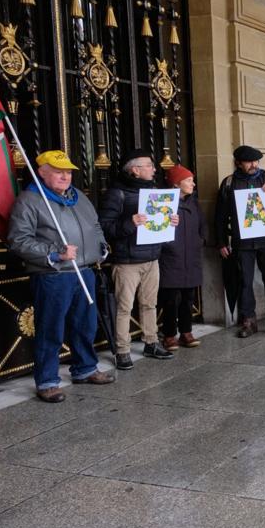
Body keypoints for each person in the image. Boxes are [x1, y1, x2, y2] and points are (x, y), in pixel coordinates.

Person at [8, 150, 115, 401]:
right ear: (42, 172)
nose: (65, 176)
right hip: (52, 274)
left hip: (84, 271)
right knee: (50, 328)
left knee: (84, 325)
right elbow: (18, 240)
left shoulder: (78, 198)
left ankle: (85, 368)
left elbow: (95, 226)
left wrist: (101, 246)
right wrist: (55, 254)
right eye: (58, 171)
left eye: (68, 171)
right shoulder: (30, 200)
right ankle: (47, 380)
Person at [99, 149, 176, 369]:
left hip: (152, 257)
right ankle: (122, 350)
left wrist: (170, 222)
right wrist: (129, 223)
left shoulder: (153, 191)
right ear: (135, 170)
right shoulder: (117, 194)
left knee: (150, 304)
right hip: (126, 261)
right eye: (149, 165)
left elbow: (157, 223)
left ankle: (151, 342)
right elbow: (104, 228)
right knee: (124, 307)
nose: (154, 169)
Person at [215, 145, 265, 338]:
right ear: (238, 163)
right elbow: (220, 216)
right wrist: (221, 242)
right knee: (245, 282)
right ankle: (248, 320)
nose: (254, 165)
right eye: (249, 162)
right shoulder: (229, 183)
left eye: (256, 161)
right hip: (242, 242)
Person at [158, 164, 204, 351]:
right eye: (188, 180)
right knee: (170, 299)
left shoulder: (194, 202)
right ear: (177, 184)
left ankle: (186, 332)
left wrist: (200, 240)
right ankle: (169, 335)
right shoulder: (164, 202)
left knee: (188, 298)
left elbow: (203, 224)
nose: (193, 183)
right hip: (171, 258)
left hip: (191, 257)